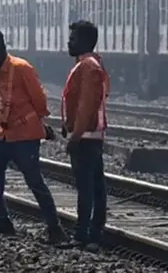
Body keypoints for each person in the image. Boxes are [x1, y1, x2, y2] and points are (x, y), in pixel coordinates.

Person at [0, 30, 67, 243]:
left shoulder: (21, 68)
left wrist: (40, 124)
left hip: (25, 136)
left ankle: (55, 229)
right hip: (5, 134)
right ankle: (2, 221)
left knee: (34, 181)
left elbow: (39, 99)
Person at [61, 20, 110, 252]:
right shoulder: (88, 64)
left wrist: (76, 134)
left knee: (87, 187)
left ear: (84, 41)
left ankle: (84, 234)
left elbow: (86, 105)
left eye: (73, 38)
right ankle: (93, 232)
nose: (69, 42)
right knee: (95, 185)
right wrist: (67, 125)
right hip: (90, 135)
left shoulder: (88, 67)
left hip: (87, 137)